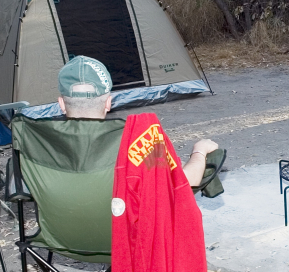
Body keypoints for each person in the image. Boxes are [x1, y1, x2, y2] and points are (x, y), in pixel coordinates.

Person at [56, 55, 218, 187]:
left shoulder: (43, 146)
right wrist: (199, 151)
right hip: (124, 226)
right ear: (108, 103)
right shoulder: (138, 140)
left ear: (61, 104)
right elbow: (188, 180)